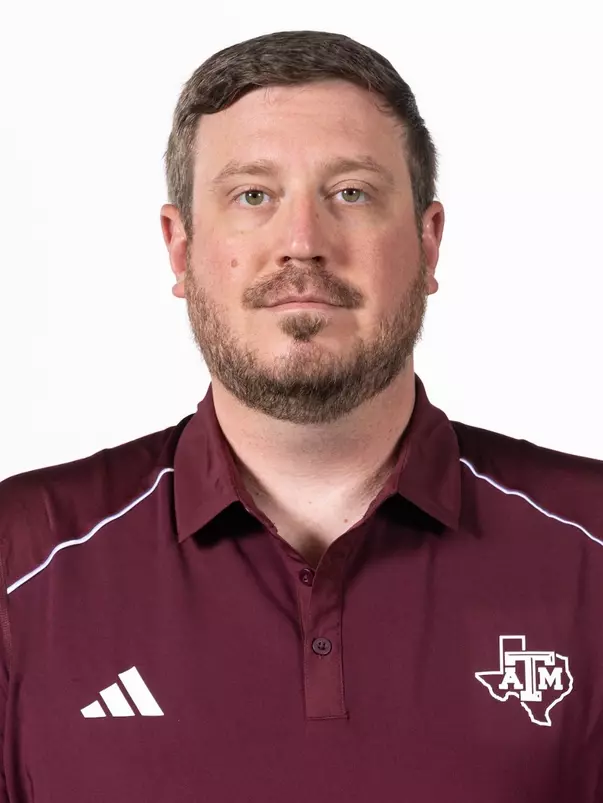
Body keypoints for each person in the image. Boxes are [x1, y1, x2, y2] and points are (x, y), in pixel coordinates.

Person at [0, 29, 602, 803]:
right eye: (253, 195)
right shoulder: (21, 563)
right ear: (179, 250)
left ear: (428, 243)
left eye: (349, 192)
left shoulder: (590, 547)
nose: (302, 244)